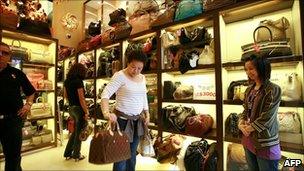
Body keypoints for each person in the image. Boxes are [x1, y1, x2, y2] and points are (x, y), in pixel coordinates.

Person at [101, 49, 150, 171]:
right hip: (122, 122)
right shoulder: (120, 76)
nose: (136, 71)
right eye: (133, 67)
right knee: (121, 156)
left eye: (139, 68)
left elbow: (143, 96)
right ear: (128, 63)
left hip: (137, 121)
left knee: (132, 154)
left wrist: (147, 113)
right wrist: (106, 113)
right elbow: (105, 94)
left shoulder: (142, 78)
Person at [238, 54, 282, 171]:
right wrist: (240, 123)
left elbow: (268, 117)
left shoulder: (273, 89)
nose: (248, 72)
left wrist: (249, 128)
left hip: (265, 142)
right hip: (248, 139)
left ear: (262, 67)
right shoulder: (249, 89)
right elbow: (245, 110)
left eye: (251, 68)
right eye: (246, 69)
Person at [0, 42, 36, 171]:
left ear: (9, 57)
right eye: (0, 52)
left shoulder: (17, 73)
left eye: (5, 53)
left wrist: (28, 105)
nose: (2, 55)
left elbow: (31, 92)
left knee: (13, 157)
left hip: (13, 121)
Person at [63, 63, 89, 161]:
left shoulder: (66, 81)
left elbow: (65, 96)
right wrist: (86, 111)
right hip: (79, 109)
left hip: (71, 108)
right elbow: (81, 98)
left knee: (75, 132)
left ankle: (67, 153)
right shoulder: (78, 82)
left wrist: (72, 104)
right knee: (79, 133)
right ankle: (76, 154)